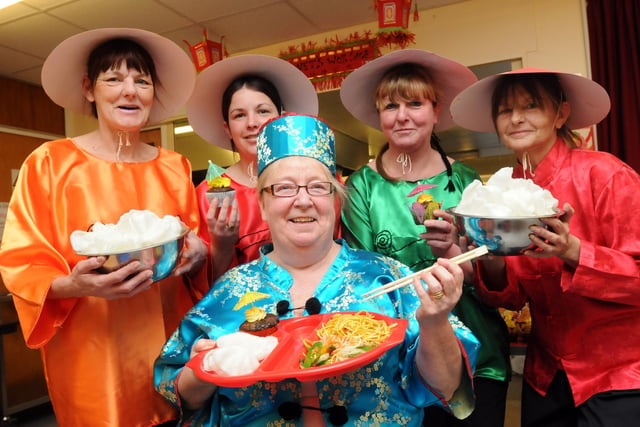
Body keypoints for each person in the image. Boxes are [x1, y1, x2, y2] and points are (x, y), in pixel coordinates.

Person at [154, 113, 480, 426]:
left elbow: (447, 386)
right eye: (283, 188)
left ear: (335, 201)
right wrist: (205, 368)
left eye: (318, 186)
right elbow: (180, 393)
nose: (303, 200)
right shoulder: (230, 290)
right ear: (263, 205)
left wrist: (435, 322)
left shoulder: (389, 277)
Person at [0, 28, 209, 426]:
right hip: (90, 354)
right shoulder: (50, 163)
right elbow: (20, 261)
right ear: (89, 89)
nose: (129, 91)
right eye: (113, 79)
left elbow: (191, 251)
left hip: (169, 348)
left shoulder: (174, 166)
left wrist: (198, 255)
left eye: (142, 81)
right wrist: (76, 285)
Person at [450, 67, 640, 426]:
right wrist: (489, 258)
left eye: (531, 105)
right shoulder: (503, 195)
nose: (516, 118)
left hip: (618, 374)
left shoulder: (605, 174)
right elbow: (511, 298)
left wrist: (572, 250)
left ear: (561, 114)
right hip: (546, 376)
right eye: (505, 110)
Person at [339, 49, 511, 427]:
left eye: (414, 104)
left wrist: (456, 252)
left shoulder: (465, 181)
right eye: (390, 106)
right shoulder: (362, 187)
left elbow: (496, 280)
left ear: (436, 111)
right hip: (396, 360)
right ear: (379, 117)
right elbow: (361, 277)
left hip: (478, 354)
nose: (402, 116)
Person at [186, 55, 319, 280]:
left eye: (263, 111)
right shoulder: (208, 195)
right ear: (227, 128)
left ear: (282, 118)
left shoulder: (314, 184)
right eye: (239, 115)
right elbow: (204, 287)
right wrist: (222, 245)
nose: (252, 123)